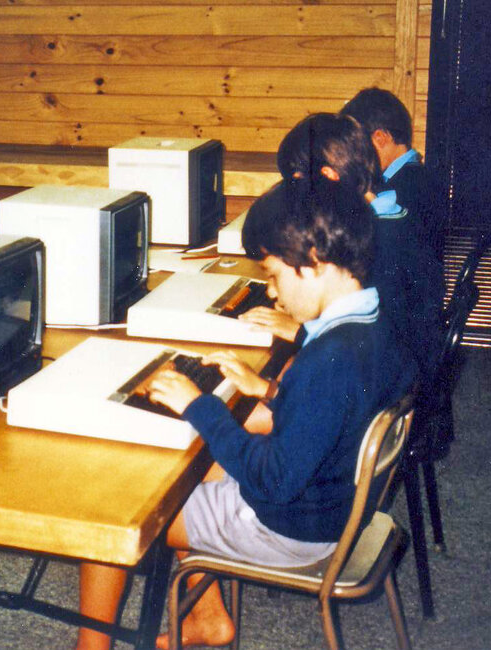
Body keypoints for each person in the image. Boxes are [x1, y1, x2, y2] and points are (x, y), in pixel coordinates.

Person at [75, 179, 416, 650]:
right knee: (204, 462)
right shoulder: (374, 327)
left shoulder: (328, 362)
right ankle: (208, 620)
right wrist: (270, 390)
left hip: (291, 527)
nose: (273, 294)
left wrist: (200, 406)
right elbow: (332, 417)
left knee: (116, 508)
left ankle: (89, 647)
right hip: (336, 508)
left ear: (312, 263)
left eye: (274, 275)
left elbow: (275, 478)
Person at [269, 111, 444, 381]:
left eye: (298, 184)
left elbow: (378, 343)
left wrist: (299, 331)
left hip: (396, 377)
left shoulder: (377, 243)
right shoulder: (388, 216)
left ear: (329, 177)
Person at [339, 87, 445, 263]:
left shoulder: (407, 188)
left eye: (357, 146)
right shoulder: (417, 177)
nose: (355, 156)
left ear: (380, 138)